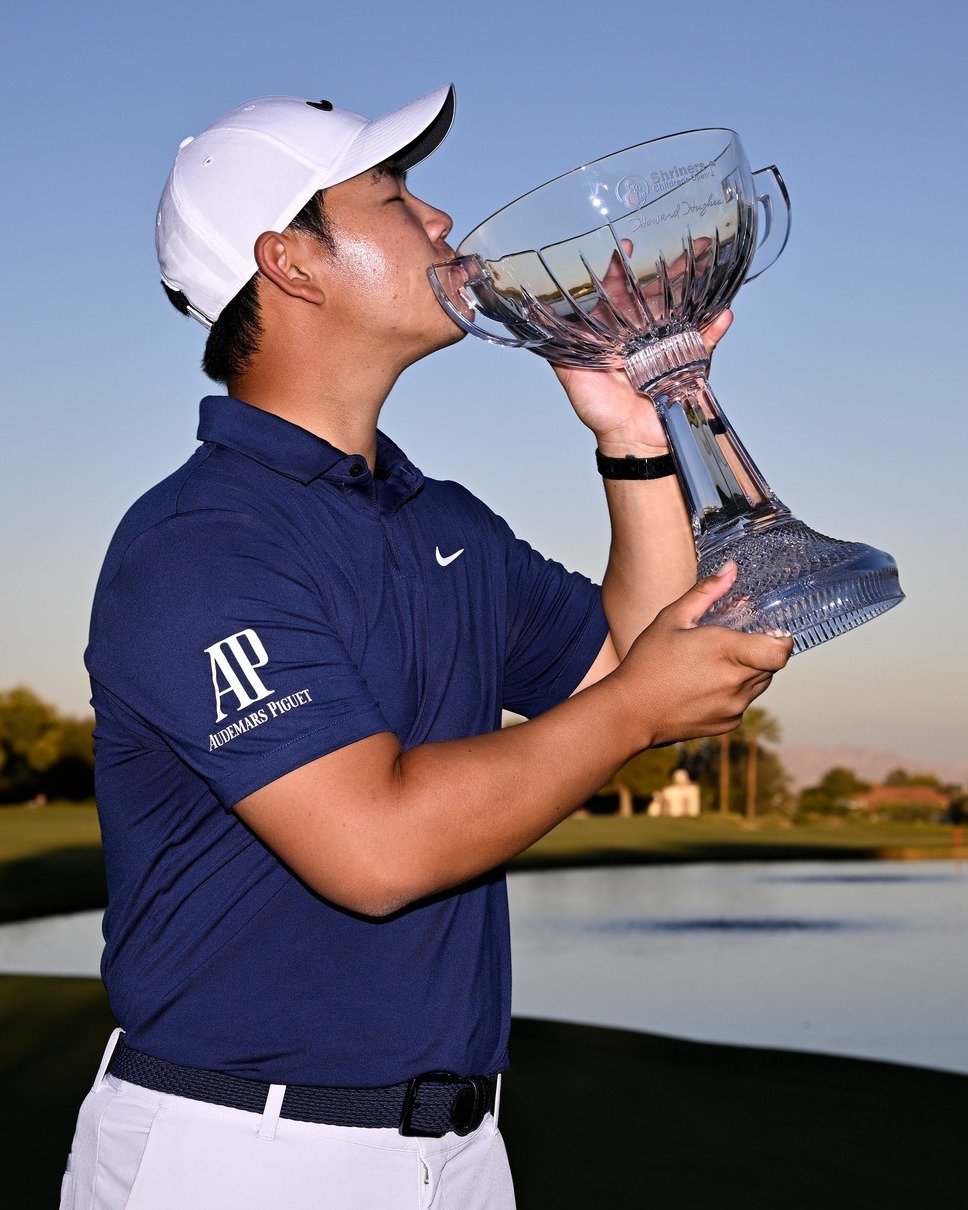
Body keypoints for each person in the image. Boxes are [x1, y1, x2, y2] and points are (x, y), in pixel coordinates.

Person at [60, 83, 791, 1209]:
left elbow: (618, 672)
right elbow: (374, 847)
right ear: (291, 262)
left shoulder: (435, 517)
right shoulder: (197, 543)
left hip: (457, 1150)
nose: (441, 219)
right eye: (395, 196)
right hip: (237, 1154)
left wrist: (635, 440)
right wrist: (637, 704)